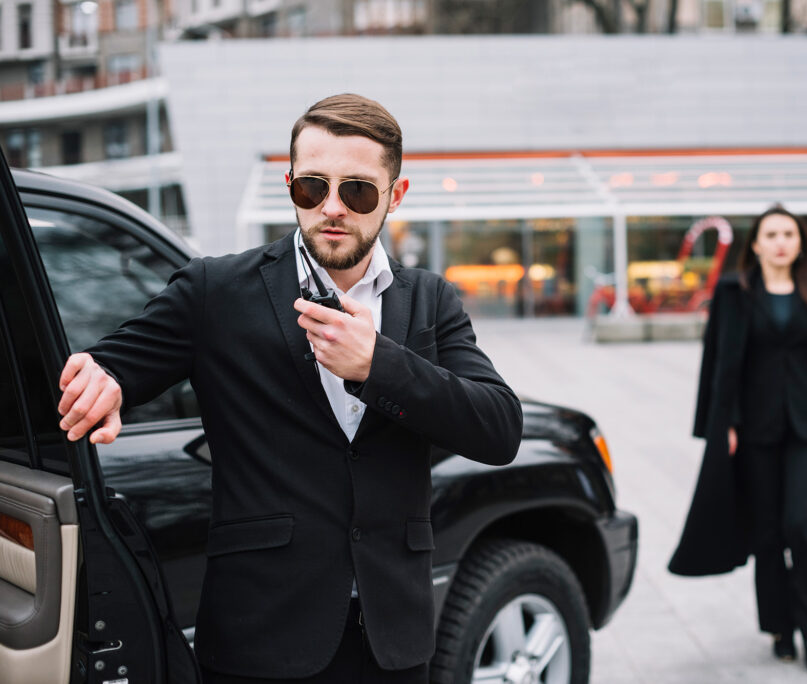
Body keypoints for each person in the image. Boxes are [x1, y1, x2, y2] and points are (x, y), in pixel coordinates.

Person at [55, 93, 524, 684]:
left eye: (356, 190)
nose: (331, 207)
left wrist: (377, 364)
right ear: (290, 185)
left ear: (395, 196)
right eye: (312, 187)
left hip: (394, 642)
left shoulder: (429, 299)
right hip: (261, 638)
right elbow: (114, 363)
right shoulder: (215, 291)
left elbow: (499, 427)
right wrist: (102, 379)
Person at [668, 206, 807, 674]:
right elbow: (720, 359)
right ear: (757, 244)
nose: (781, 242)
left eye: (789, 233)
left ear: (800, 242)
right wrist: (719, 421)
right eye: (772, 234)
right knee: (767, 531)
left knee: (799, 524)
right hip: (756, 429)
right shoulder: (735, 292)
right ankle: (778, 626)